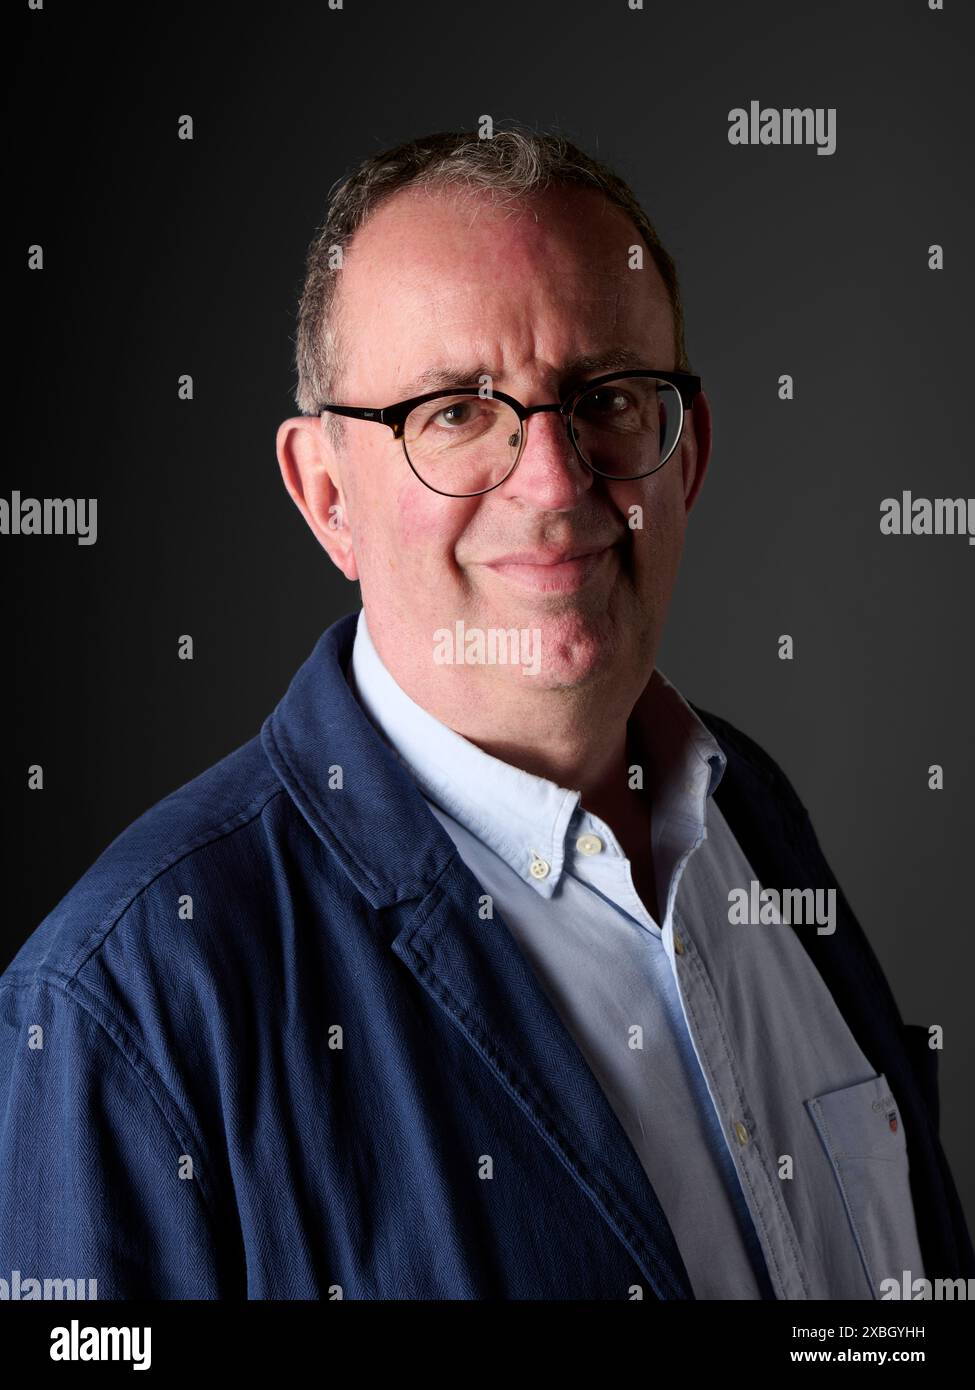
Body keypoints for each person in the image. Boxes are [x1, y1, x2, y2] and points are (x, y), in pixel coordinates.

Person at [1, 127, 971, 1301]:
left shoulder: (753, 816)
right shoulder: (129, 1004)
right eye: (458, 411)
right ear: (326, 494)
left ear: (690, 455)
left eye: (608, 396)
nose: (555, 484)